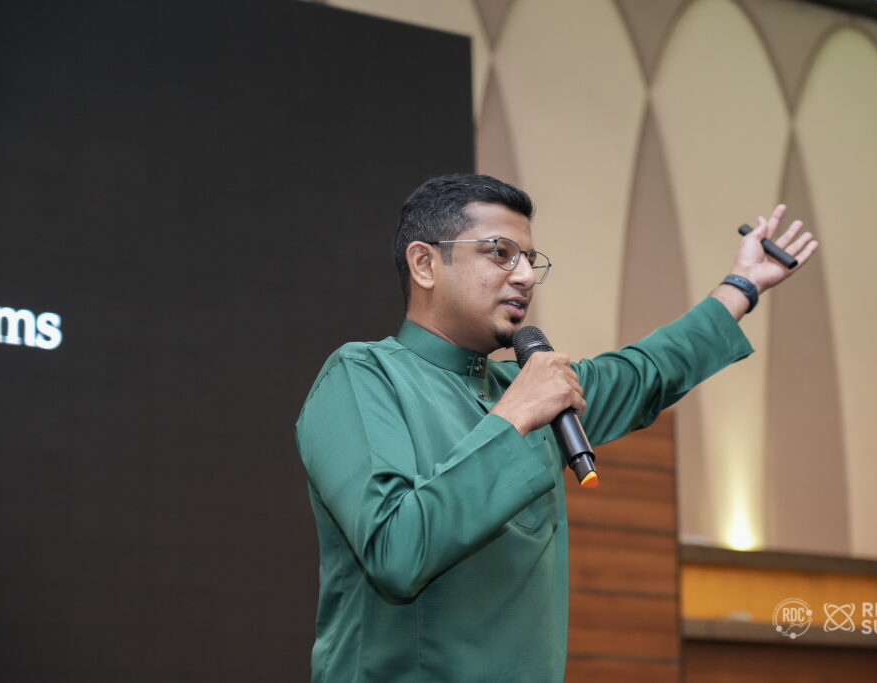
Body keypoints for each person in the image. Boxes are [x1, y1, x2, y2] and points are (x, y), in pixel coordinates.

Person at [295, 173, 817, 682]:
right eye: (500, 253)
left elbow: (646, 370)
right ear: (425, 264)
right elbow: (395, 549)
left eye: (529, 259)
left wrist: (742, 285)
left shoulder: (526, 390)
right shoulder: (363, 375)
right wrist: (515, 416)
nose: (524, 275)